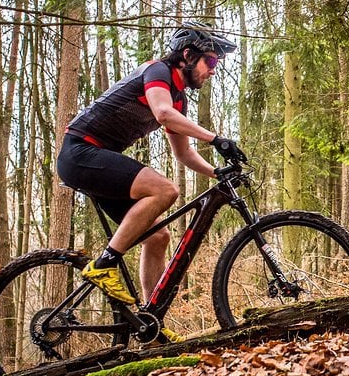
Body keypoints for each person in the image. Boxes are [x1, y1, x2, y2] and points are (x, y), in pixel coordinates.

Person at [56, 21, 247, 332]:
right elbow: (162, 114)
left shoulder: (179, 98)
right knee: (165, 190)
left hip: (99, 160)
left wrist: (216, 172)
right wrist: (216, 139)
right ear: (187, 55)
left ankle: (151, 321)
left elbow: (183, 154)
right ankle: (104, 266)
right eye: (210, 61)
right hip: (79, 153)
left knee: (158, 236)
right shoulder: (157, 71)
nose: (213, 70)